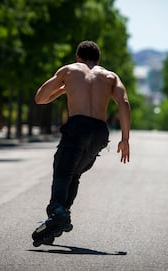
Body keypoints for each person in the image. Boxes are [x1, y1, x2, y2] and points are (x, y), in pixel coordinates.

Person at [31, 40, 131, 247]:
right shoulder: (110, 76)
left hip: (78, 127)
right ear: (98, 60)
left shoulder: (69, 70)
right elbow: (124, 103)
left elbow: (40, 98)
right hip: (100, 133)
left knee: (62, 171)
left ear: (78, 57)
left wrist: (64, 89)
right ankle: (59, 219)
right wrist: (125, 139)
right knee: (74, 173)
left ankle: (57, 212)